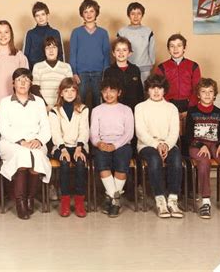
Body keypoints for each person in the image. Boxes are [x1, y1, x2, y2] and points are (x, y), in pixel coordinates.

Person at [0, 68, 52, 220]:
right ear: (13, 83)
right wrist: (21, 141)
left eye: (26, 80)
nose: (23, 83)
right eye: (19, 80)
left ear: (31, 83)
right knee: (22, 155)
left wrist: (39, 140)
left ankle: (30, 198)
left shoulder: (39, 102)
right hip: (11, 142)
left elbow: (45, 126)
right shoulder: (5, 102)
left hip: (35, 140)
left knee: (36, 156)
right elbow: (4, 127)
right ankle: (20, 202)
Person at [186, 78, 220, 219]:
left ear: (215, 94)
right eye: (203, 92)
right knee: (204, 162)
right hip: (197, 145)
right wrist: (200, 145)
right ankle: (205, 202)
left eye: (210, 92)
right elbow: (188, 137)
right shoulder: (191, 113)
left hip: (215, 145)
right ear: (198, 94)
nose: (207, 95)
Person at [135, 74, 183, 218]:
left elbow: (175, 132)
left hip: (168, 143)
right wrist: (156, 144)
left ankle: (173, 200)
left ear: (164, 90)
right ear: (147, 90)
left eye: (159, 88)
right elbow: (140, 132)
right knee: (154, 160)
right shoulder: (140, 107)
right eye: (152, 88)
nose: (156, 91)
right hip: (147, 144)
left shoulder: (171, 108)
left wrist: (166, 145)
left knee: (176, 159)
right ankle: (160, 200)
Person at [90, 78, 134, 218]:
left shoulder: (126, 110)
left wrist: (115, 145)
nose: (108, 94)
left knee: (122, 164)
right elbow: (93, 134)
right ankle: (115, 200)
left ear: (119, 92)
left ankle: (112, 200)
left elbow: (129, 133)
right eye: (105, 91)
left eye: (112, 91)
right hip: (103, 143)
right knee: (102, 164)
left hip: (121, 144)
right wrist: (99, 143)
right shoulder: (97, 110)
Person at [48, 77, 89, 217]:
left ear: (77, 92)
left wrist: (79, 147)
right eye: (66, 90)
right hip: (61, 146)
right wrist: (63, 149)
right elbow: (55, 133)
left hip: (79, 145)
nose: (70, 93)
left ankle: (79, 201)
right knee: (64, 163)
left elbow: (84, 130)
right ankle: (65, 201)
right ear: (61, 93)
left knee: (80, 162)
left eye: (73, 90)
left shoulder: (83, 109)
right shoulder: (54, 111)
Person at [155, 33, 201, 153]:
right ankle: (173, 166)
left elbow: (197, 89)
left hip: (188, 106)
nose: (175, 49)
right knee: (171, 137)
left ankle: (188, 168)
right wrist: (170, 108)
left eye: (179, 46)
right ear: (168, 49)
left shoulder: (193, 66)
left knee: (188, 138)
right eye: (172, 46)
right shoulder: (162, 67)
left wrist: (189, 109)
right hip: (169, 106)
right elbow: (159, 90)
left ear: (184, 48)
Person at [70, 0, 110, 109]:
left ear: (96, 12)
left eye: (91, 11)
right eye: (85, 12)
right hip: (81, 74)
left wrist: (105, 74)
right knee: (79, 102)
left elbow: (106, 55)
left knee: (98, 102)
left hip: (99, 73)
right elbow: (73, 53)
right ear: (82, 14)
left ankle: (97, 125)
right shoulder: (76, 32)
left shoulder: (103, 33)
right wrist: (74, 72)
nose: (89, 14)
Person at [117, 2, 156, 83]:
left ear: (142, 15)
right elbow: (118, 50)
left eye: (139, 13)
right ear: (128, 15)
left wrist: (151, 63)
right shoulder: (122, 32)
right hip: (127, 67)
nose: (136, 16)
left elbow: (151, 49)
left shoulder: (148, 31)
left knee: (144, 90)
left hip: (144, 67)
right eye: (132, 14)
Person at [102, 37, 144, 111]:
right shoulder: (108, 71)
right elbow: (105, 93)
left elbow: (140, 92)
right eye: (118, 50)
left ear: (130, 53)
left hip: (133, 108)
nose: (121, 53)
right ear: (113, 53)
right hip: (114, 109)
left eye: (124, 50)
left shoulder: (135, 70)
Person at [32, 36, 73, 109]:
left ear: (58, 50)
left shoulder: (66, 67)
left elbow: (70, 89)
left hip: (61, 108)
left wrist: (60, 106)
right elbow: (35, 89)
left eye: (54, 47)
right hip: (43, 108)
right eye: (47, 48)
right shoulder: (37, 67)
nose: (51, 51)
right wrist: (45, 106)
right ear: (44, 50)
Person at [23, 2, 63, 71]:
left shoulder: (55, 33)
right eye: (37, 15)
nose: (40, 18)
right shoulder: (30, 34)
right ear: (34, 17)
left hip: (53, 71)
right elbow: (25, 56)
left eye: (43, 14)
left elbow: (60, 55)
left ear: (47, 15)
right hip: (34, 71)